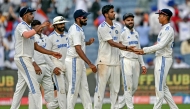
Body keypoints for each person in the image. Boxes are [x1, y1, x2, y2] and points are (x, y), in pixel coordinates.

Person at [10, 7, 62, 109]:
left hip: (25, 58)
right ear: (25, 16)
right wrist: (41, 26)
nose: (33, 15)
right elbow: (26, 35)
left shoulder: (29, 28)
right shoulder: (21, 26)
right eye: (30, 14)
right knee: (34, 87)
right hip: (23, 57)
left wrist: (52, 53)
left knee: (20, 88)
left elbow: (36, 47)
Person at [133, 9, 179, 109]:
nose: (158, 17)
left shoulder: (168, 30)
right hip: (160, 58)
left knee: (159, 88)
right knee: (163, 87)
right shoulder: (163, 29)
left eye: (160, 15)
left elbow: (161, 45)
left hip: (163, 59)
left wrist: (144, 50)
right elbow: (160, 45)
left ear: (166, 16)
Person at [93, 5, 134, 109]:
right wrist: (128, 48)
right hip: (104, 62)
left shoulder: (118, 26)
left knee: (115, 90)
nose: (114, 13)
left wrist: (132, 50)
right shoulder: (102, 27)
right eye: (111, 12)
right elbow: (112, 43)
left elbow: (120, 43)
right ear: (106, 14)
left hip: (116, 62)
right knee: (100, 89)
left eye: (114, 11)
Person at [65, 9, 97, 109]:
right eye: (84, 17)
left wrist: (87, 43)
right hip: (74, 60)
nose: (86, 19)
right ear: (78, 19)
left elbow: (78, 44)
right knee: (73, 88)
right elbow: (78, 49)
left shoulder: (78, 29)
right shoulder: (75, 30)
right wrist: (90, 63)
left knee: (84, 88)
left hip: (78, 61)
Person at [117, 13, 147, 109]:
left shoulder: (136, 33)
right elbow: (117, 47)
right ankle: (130, 107)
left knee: (134, 87)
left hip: (135, 61)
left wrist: (142, 64)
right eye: (128, 20)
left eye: (131, 20)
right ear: (124, 22)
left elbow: (139, 49)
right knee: (128, 86)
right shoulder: (122, 33)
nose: (130, 22)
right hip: (126, 60)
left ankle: (117, 107)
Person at [30, 20, 59, 109]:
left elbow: (46, 54)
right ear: (33, 28)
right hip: (36, 67)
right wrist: (34, 65)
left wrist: (53, 67)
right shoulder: (30, 38)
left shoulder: (45, 37)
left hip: (46, 67)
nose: (40, 29)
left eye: (41, 27)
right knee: (34, 91)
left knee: (50, 90)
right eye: (38, 27)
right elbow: (28, 53)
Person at [45, 16, 69, 109]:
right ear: (55, 25)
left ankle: (51, 106)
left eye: (63, 23)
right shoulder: (50, 38)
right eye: (60, 24)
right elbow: (45, 54)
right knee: (61, 90)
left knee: (67, 90)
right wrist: (53, 68)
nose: (63, 25)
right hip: (56, 66)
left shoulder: (67, 35)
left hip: (67, 65)